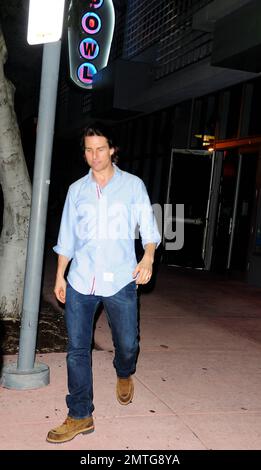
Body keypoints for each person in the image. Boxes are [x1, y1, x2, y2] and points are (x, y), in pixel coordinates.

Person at [46, 122, 161, 443]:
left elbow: (149, 229)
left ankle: (124, 372)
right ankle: (80, 414)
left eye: (100, 149)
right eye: (88, 150)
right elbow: (67, 237)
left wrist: (148, 257)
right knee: (76, 350)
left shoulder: (133, 186)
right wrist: (60, 276)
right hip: (81, 280)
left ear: (112, 150)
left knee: (127, 344)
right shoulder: (76, 190)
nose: (94, 156)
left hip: (121, 278)